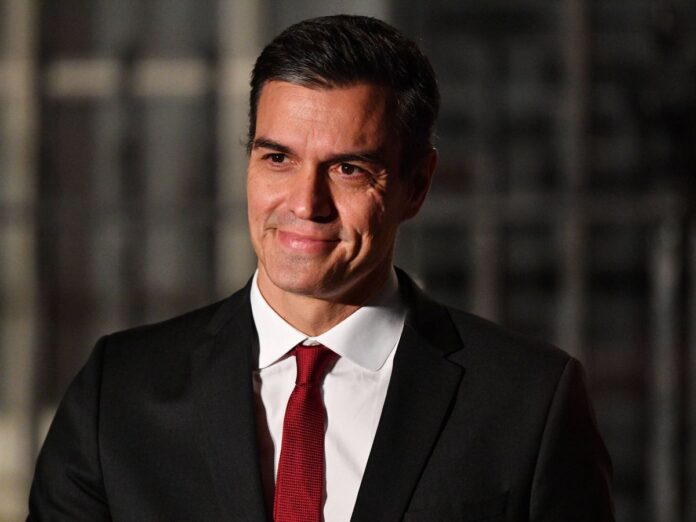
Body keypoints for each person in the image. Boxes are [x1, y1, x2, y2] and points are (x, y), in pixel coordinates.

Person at [27, 14, 614, 522]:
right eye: (278, 158)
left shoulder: (527, 403)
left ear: (416, 186)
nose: (305, 204)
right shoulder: (118, 394)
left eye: (348, 169)